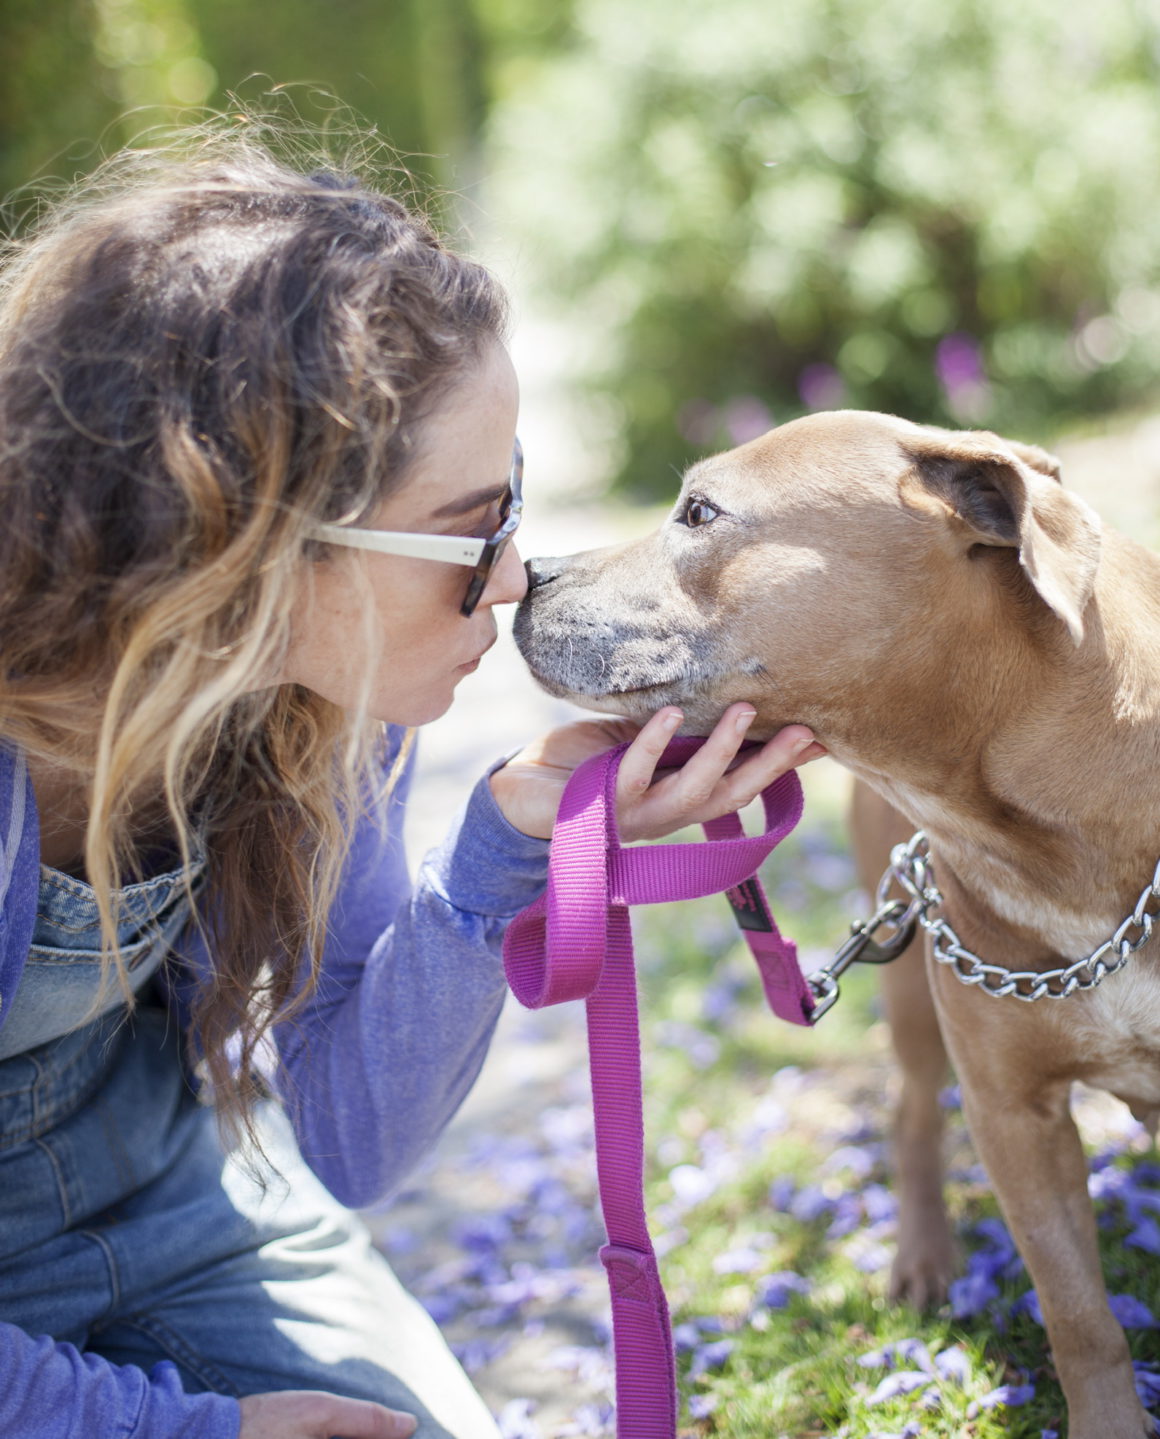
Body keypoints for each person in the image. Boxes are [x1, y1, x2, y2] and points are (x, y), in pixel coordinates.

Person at [0, 127, 822, 1439]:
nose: (513, 581)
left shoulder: (318, 707)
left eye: (514, 511)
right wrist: (191, 1429)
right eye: (467, 531)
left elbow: (340, 1141)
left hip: (175, 1208)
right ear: (244, 537)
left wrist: (506, 847)